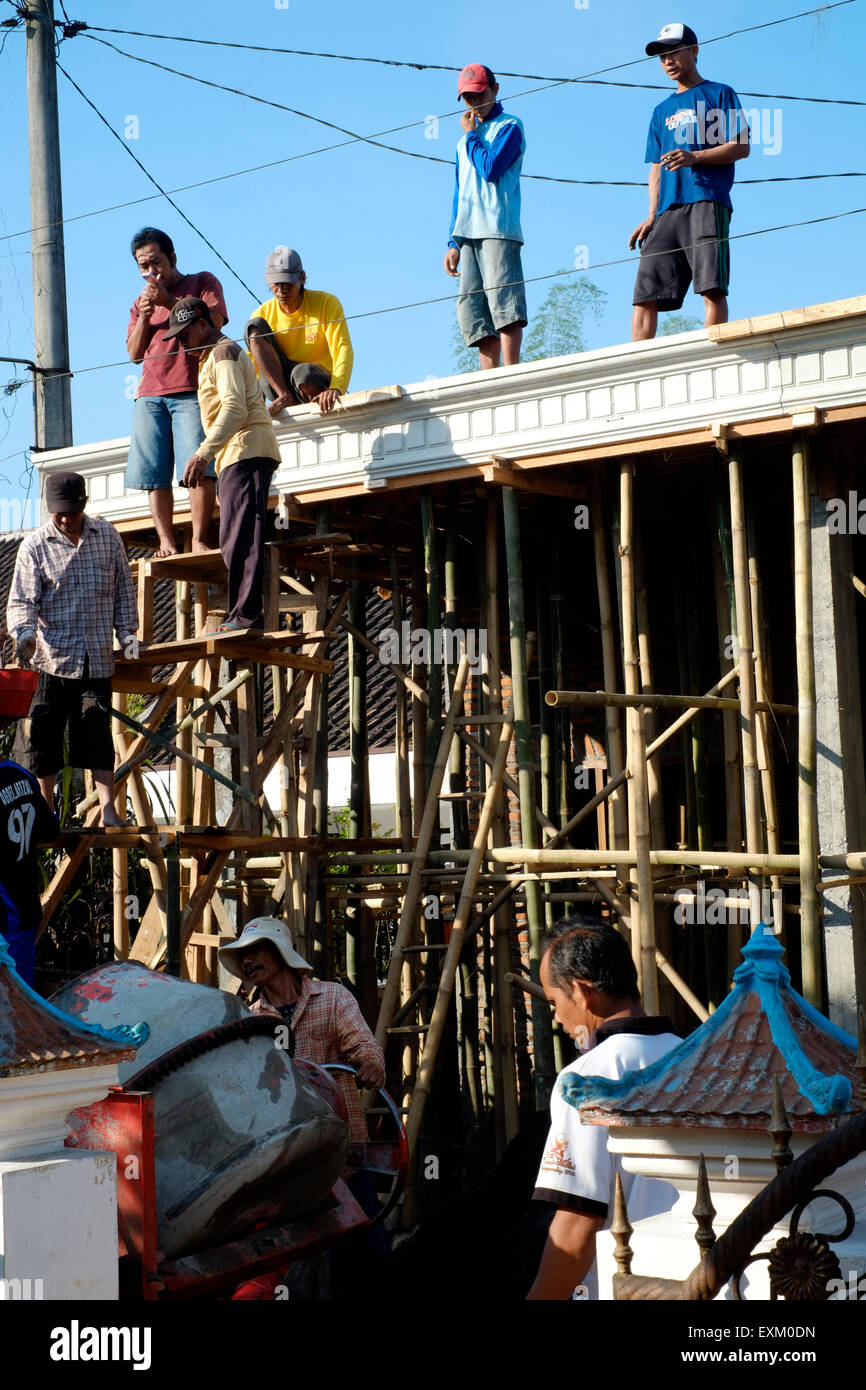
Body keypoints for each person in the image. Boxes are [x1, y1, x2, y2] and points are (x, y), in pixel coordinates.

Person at [526, 917, 680, 1300]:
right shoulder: (693, 1057)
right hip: (703, 1277)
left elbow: (577, 1225)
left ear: (580, 991)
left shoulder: (586, 1078)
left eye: (554, 1002)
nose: (558, 1017)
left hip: (628, 1284)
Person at [6, 471, 138, 828]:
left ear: (84, 505)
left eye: (71, 512)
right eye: (58, 513)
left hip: (95, 657)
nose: (65, 519)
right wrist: (25, 635)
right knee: (43, 738)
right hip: (52, 659)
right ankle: (45, 812)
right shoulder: (35, 546)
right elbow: (22, 602)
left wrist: (127, 634)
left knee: (96, 731)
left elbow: (124, 591)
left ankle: (108, 809)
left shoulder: (107, 537)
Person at [163, 297, 281, 633]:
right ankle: (243, 614)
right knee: (237, 535)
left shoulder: (222, 353)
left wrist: (203, 454)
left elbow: (234, 409)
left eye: (185, 334)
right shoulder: (212, 356)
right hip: (237, 455)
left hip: (245, 451)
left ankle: (245, 616)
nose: (182, 343)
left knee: (241, 536)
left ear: (204, 324)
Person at [629, 23, 750, 341]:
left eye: (674, 52)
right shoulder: (660, 110)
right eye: (662, 56)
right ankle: (637, 369)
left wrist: (696, 157)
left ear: (694, 51)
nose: (668, 61)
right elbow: (655, 168)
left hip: (706, 200)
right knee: (644, 293)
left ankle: (715, 357)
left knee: (711, 285)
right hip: (667, 210)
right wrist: (652, 214)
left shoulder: (720, 93)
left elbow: (741, 146)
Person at [218, 916, 386, 1145]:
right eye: (242, 955)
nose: (247, 960)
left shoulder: (333, 997)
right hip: (288, 1150)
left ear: (281, 952)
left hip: (344, 1142)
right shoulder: (251, 1021)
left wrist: (371, 1063)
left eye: (255, 949)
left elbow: (362, 1044)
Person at [125, 227, 228, 556]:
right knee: (154, 472)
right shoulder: (140, 302)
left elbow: (213, 325)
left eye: (156, 262)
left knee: (196, 466)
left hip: (190, 389)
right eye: (143, 266)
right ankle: (166, 541)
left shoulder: (202, 282)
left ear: (172, 258)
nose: (151, 272)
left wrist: (168, 303)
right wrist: (144, 315)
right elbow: (133, 354)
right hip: (149, 394)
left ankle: (199, 538)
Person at [444, 63, 527, 370]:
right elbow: (459, 191)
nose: (474, 104)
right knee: (475, 311)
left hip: (497, 229)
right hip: (467, 233)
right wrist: (452, 241)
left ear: (495, 88)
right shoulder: (463, 141)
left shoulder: (510, 126)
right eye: (467, 98)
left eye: (479, 95)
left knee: (504, 303)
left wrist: (470, 137)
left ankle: (511, 373)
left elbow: (490, 169)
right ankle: (488, 378)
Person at [245, 248, 353, 417]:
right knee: (254, 326)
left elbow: (343, 349)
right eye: (275, 283)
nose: (281, 289)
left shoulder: (326, 303)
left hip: (314, 380)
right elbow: (252, 370)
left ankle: (317, 409)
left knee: (302, 373)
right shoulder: (263, 313)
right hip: (280, 386)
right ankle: (284, 397)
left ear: (302, 278)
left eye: (286, 282)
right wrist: (252, 412)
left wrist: (336, 388)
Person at [0, 746, 60, 985]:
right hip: (23, 907)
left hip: (6, 914)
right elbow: (50, 830)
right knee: (19, 997)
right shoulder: (21, 774)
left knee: (10, 1004)